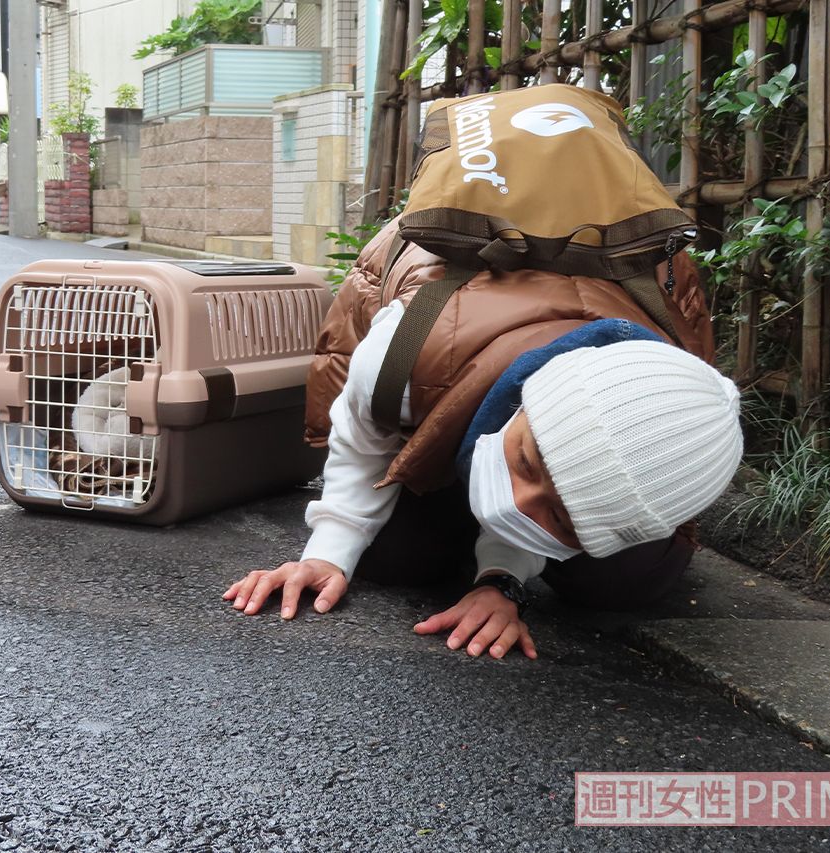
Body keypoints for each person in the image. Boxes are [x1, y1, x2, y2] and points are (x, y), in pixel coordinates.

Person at [223, 218, 744, 661]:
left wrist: (501, 579)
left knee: (624, 583)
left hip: (583, 399)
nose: (516, 502)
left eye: (560, 515)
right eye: (527, 462)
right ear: (525, 400)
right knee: (392, 560)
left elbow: (577, 489)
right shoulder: (401, 357)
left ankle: (540, 502)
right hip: (447, 368)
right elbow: (362, 442)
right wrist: (326, 553)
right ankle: (501, 496)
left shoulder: (673, 384)